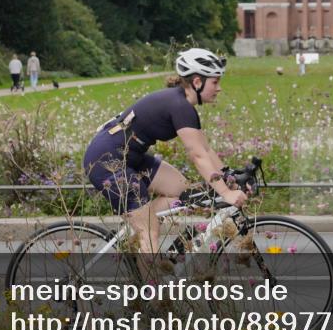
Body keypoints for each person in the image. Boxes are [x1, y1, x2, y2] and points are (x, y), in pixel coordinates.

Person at [83, 48, 247, 255]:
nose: (219, 88)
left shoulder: (182, 104)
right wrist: (226, 193)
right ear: (197, 82)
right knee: (150, 233)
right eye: (215, 82)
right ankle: (150, 284)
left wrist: (228, 174)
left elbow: (204, 148)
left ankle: (141, 223)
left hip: (131, 158)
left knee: (184, 191)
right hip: (107, 162)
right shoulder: (179, 106)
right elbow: (197, 155)